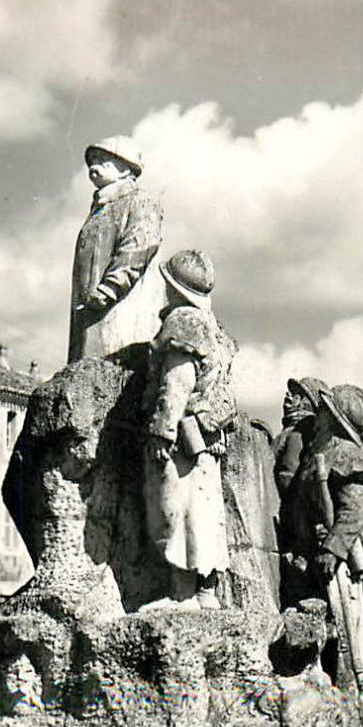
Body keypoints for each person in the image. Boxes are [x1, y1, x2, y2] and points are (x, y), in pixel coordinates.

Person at [142, 249, 238, 608]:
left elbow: (177, 382)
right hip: (207, 439)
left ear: (174, 288)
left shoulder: (183, 323)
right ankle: (206, 593)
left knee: (176, 511)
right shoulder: (215, 330)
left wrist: (161, 430)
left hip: (181, 439)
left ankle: (180, 593)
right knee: (205, 515)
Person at [298, 384, 363, 687]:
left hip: (339, 561)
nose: (317, 415)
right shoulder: (323, 449)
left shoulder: (344, 452)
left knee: (345, 630)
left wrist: (333, 549)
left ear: (333, 418)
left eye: (324, 409)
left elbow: (357, 507)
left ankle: (350, 689)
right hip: (319, 551)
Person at [68, 136, 164, 363]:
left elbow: (139, 247)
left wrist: (109, 289)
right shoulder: (100, 209)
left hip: (118, 312)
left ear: (125, 169)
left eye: (103, 160)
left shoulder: (139, 202)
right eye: (92, 161)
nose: (94, 166)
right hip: (89, 314)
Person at [274, 377, 330, 609]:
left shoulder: (299, 432)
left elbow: (287, 475)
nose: (288, 398)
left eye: (297, 395)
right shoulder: (291, 431)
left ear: (309, 403)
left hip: (293, 517)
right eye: (289, 393)